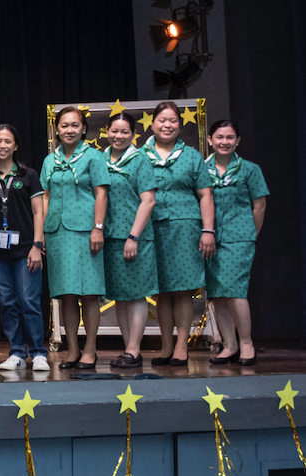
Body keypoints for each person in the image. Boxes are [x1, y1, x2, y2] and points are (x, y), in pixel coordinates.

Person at [0, 125, 48, 372]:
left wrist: (37, 245)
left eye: (8, 141)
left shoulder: (29, 175)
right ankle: (16, 351)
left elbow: (39, 211)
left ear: (15, 146)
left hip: (26, 249)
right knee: (7, 302)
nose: (3, 145)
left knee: (28, 300)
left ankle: (38, 352)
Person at [144, 102, 213, 366]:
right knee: (162, 291)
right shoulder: (140, 155)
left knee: (183, 290)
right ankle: (165, 346)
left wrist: (207, 230)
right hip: (152, 228)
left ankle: (182, 346)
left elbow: (205, 195)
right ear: (153, 124)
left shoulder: (192, 156)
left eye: (173, 120)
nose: (167, 125)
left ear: (179, 125)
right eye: (162, 120)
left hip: (185, 227)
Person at [41, 106, 107, 370]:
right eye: (64, 125)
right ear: (57, 129)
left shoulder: (94, 157)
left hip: (86, 232)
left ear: (83, 129)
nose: (69, 130)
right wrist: (43, 232)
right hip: (57, 232)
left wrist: (98, 227)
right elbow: (45, 196)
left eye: (74, 125)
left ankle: (90, 349)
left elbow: (101, 194)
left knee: (89, 293)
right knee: (66, 294)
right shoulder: (50, 160)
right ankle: (72, 350)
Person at [203, 120, 267, 366]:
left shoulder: (249, 169)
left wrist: (250, 234)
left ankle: (247, 343)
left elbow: (259, 205)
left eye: (230, 137)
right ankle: (229, 345)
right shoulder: (201, 168)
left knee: (235, 291)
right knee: (218, 294)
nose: (224, 142)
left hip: (239, 237)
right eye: (219, 137)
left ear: (237, 141)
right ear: (210, 140)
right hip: (208, 238)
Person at [99, 113, 159, 369]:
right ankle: (128, 349)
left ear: (133, 134)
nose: (119, 136)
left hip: (134, 238)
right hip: (109, 238)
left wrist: (133, 236)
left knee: (136, 295)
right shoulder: (99, 159)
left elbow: (148, 200)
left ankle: (135, 349)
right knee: (120, 296)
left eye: (124, 132)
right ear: (107, 132)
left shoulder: (140, 160)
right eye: (114, 131)